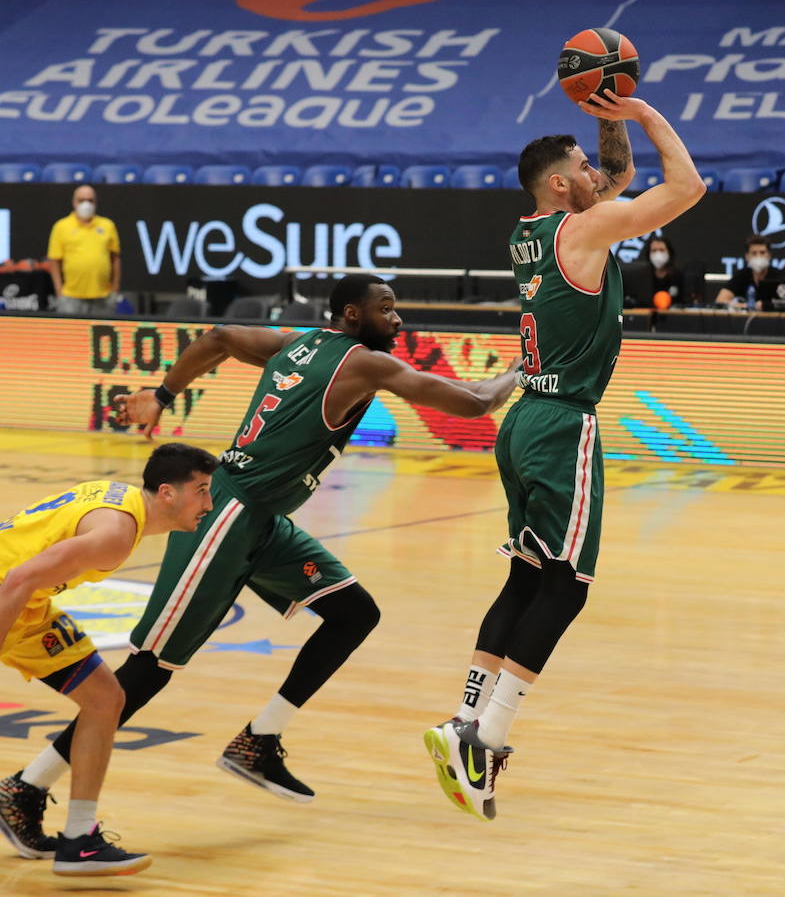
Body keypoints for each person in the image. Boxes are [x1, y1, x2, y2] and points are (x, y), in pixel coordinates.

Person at [0, 274, 520, 855]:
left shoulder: (294, 343)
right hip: (224, 514)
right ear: (353, 314)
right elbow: (475, 402)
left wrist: (164, 394)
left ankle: (260, 740)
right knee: (149, 671)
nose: (397, 319)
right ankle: (25, 788)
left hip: (264, 518)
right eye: (386, 308)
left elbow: (220, 335)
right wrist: (527, 367)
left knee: (353, 613)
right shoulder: (363, 363)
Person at [422, 91, 703, 822]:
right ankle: (487, 738)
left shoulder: (533, 231)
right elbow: (687, 187)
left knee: (525, 577)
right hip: (563, 424)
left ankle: (463, 721)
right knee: (567, 587)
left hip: (524, 418)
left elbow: (613, 173)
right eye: (582, 166)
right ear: (560, 184)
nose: (599, 173)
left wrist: (604, 111)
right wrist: (641, 111)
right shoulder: (586, 227)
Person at [0, 443, 217, 877]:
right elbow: (19, 576)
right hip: (11, 594)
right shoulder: (116, 536)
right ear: (168, 493)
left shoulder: (122, 501)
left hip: (29, 605)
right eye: (202, 490)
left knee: (105, 699)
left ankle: (79, 839)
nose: (209, 504)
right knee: (105, 700)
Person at [47, 185, 121, 316]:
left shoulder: (107, 225)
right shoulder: (61, 226)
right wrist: (59, 291)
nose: (86, 204)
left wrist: (115, 289)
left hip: (103, 296)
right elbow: (54, 261)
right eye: (81, 200)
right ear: (74, 202)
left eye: (90, 200)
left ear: (96, 203)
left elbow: (115, 258)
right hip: (71, 296)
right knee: (70, 335)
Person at [716, 235, 785, 311]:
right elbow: (720, 300)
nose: (758, 256)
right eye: (754, 253)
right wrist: (747, 306)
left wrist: (765, 305)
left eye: (762, 252)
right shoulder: (741, 275)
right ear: (747, 256)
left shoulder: (779, 275)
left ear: (769, 255)